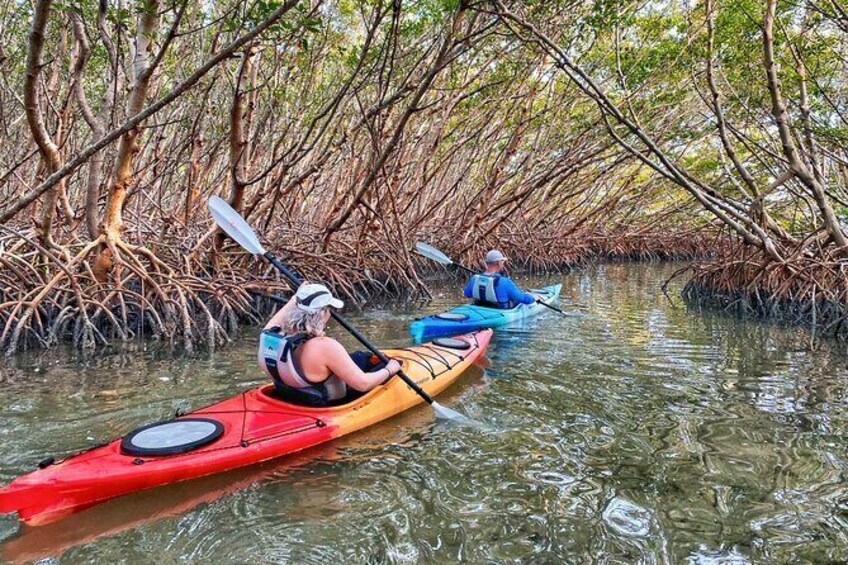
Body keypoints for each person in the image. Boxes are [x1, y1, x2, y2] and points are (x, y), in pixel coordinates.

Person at [257, 283, 401, 406]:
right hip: (322, 402)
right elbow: (363, 384)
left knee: (358, 357)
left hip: (290, 392)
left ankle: (371, 359)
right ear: (322, 313)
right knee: (386, 367)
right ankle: (389, 366)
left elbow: (288, 309)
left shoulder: (270, 335)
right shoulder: (325, 346)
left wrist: (297, 298)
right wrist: (390, 369)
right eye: (328, 309)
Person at [463, 249, 537, 309]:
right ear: (499, 263)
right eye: (502, 261)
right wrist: (533, 299)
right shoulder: (505, 282)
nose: (502, 264)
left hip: (479, 307)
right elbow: (520, 298)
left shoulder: (474, 279)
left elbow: (467, 294)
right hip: (500, 311)